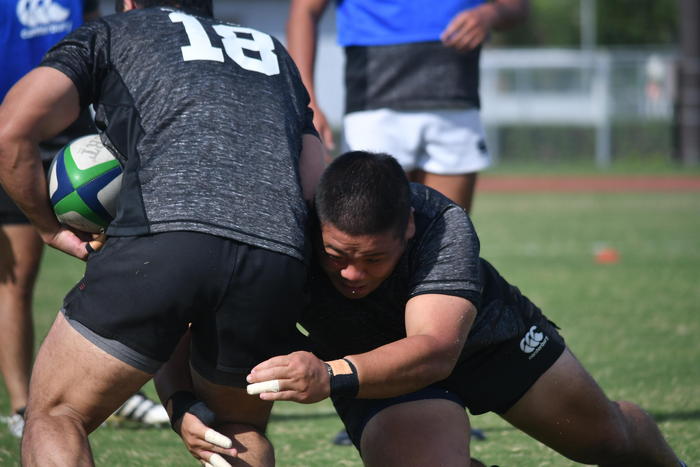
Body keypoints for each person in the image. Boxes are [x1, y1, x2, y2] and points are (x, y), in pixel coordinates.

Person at [171, 152, 685, 467]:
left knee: (605, 441)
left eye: (374, 259)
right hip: (377, 372)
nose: (352, 273)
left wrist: (328, 374)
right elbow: (185, 315)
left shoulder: (442, 224)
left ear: (409, 229)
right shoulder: (286, 235)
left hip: (488, 343)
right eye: (337, 256)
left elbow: (436, 349)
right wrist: (180, 405)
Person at [0, 0, 325, 464]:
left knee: (56, 414)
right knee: (237, 428)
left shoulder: (115, 31)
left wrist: (48, 229)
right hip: (274, 255)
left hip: (162, 238)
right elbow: (313, 181)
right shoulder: (272, 51)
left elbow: (11, 131)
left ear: (130, 2)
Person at [0, 0, 171, 438]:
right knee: (15, 280)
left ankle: (112, 389)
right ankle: (21, 406)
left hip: (83, 145)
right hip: (13, 133)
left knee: (109, 265)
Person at [286, 0, 528, 212]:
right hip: (374, 103)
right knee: (372, 230)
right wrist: (308, 102)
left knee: (450, 233)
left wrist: (489, 13)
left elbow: (516, 6)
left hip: (455, 98)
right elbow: (304, 11)